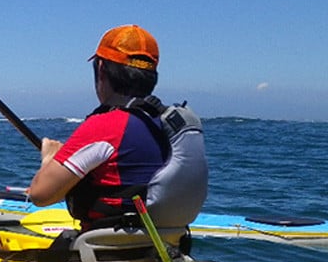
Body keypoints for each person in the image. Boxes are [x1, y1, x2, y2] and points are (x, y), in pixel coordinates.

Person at [27, 24, 208, 232]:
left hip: (103, 251)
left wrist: (49, 158)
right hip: (162, 248)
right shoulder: (169, 124)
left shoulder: (105, 126)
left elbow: (40, 195)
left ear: (101, 69)